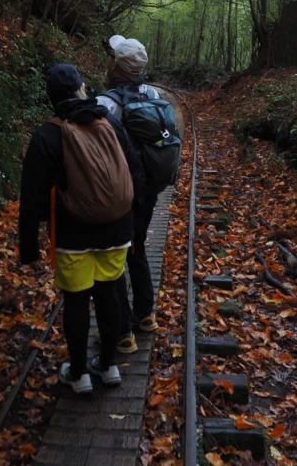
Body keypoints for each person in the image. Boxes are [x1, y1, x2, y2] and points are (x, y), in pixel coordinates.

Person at [19, 64, 144, 394]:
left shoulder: (47, 134)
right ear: (81, 88)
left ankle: (78, 373)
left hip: (73, 235)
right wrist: (135, 222)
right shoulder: (111, 124)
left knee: (75, 301)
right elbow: (134, 171)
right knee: (108, 294)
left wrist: (29, 246)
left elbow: (31, 196)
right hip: (117, 230)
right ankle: (109, 365)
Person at [97, 35, 177, 354]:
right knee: (138, 248)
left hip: (119, 192)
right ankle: (146, 315)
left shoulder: (107, 103)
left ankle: (122, 331)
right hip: (148, 189)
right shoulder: (153, 94)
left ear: (115, 64)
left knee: (116, 255)